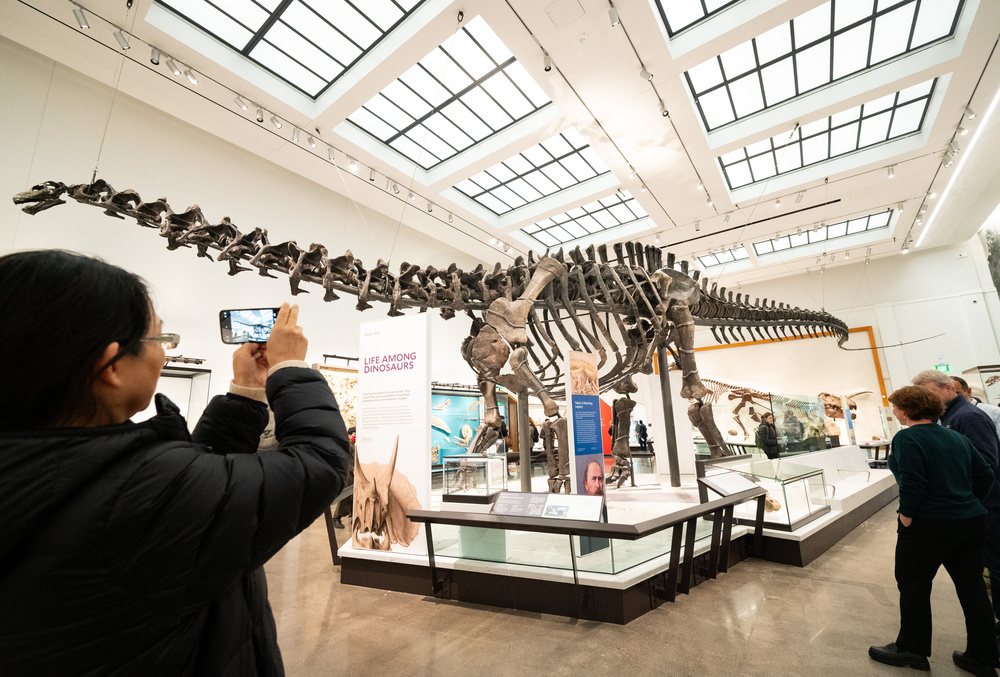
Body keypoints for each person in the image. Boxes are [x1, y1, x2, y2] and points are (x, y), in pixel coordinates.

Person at [0, 250, 351, 675]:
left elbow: (203, 480)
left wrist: (246, 390)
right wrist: (291, 368)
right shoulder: (139, 495)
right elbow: (321, 462)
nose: (164, 355)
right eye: (160, 340)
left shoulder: (50, 469)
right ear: (109, 365)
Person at [869, 386, 997, 675]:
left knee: (913, 585)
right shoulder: (955, 436)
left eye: (896, 407)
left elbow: (913, 479)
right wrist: (969, 501)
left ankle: (911, 649)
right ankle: (982, 656)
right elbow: (985, 473)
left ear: (905, 410)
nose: (894, 411)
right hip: (970, 521)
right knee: (973, 589)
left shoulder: (907, 437)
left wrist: (907, 514)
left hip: (929, 526)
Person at [913, 369, 1000, 629]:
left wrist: (968, 499)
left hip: (987, 505)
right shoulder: (951, 417)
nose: (926, 400)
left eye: (931, 393)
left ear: (949, 388)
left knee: (996, 565)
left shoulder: (968, 417)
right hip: (977, 506)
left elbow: (986, 464)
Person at [332, 426, 357, 529]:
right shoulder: (347, 446)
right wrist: (352, 469)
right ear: (349, 435)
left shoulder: (353, 446)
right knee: (345, 498)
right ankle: (336, 518)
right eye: (354, 435)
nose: (356, 437)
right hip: (348, 475)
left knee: (354, 498)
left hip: (353, 475)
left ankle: (354, 517)